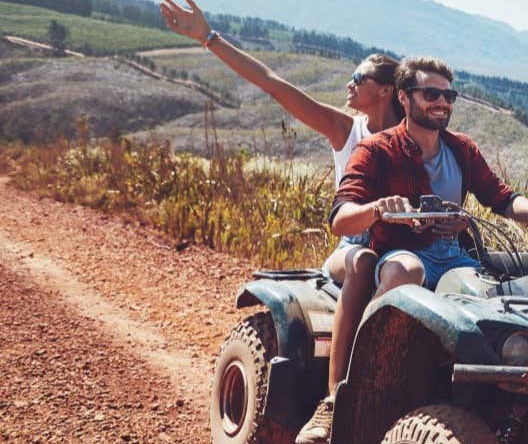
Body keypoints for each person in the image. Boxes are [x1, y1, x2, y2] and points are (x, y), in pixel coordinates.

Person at [295, 56, 528, 442]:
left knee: (502, 295)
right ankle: (355, 385)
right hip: (399, 253)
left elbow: (502, 199)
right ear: (404, 96)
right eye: (431, 93)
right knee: (405, 273)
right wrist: (377, 209)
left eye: (449, 95)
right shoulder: (377, 150)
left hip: (454, 257)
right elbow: (341, 216)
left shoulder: (462, 149)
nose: (442, 102)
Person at [158, 0, 398, 435]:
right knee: (364, 263)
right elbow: (273, 84)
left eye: (357, 78)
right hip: (356, 248)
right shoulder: (347, 130)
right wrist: (208, 38)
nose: (348, 83)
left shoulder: (413, 138)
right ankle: (333, 401)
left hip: (404, 250)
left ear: (384, 90)